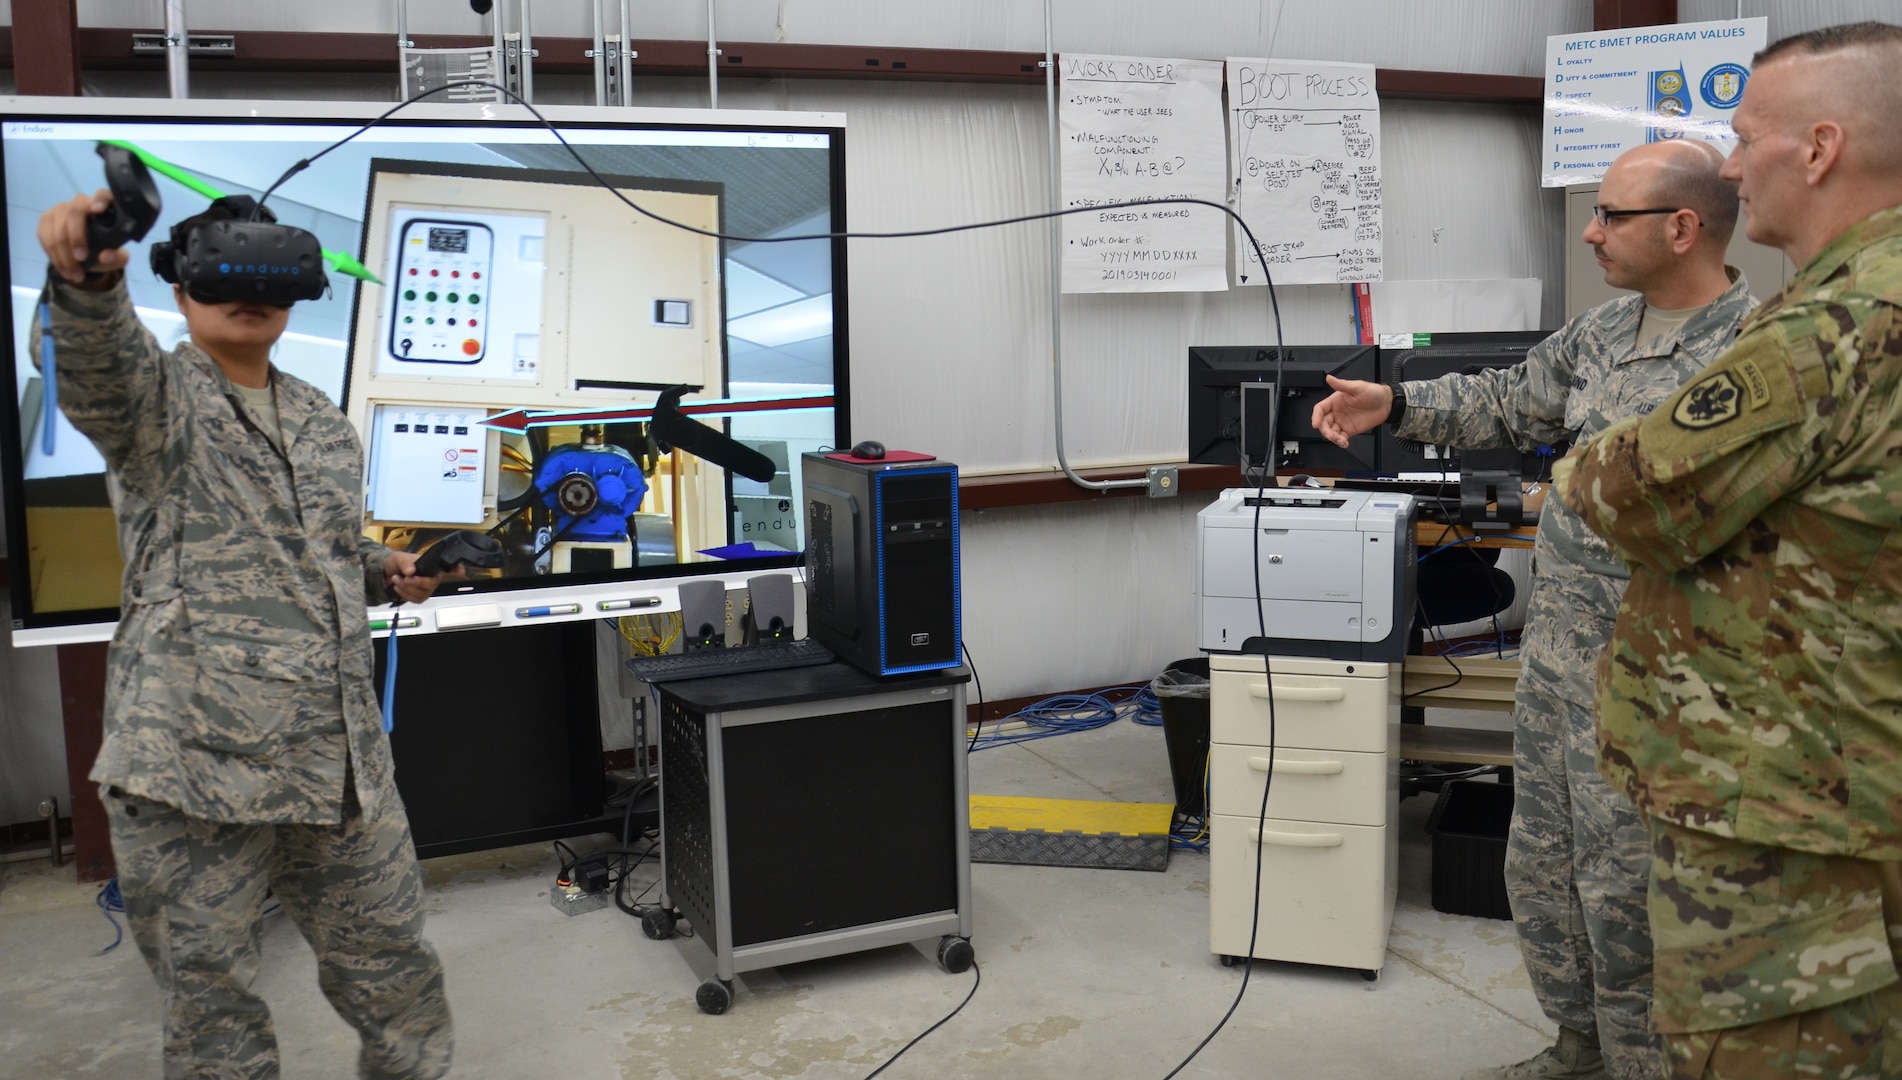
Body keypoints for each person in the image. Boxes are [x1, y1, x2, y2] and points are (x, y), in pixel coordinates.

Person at [1312, 139, 1754, 1080]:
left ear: (1683, 228)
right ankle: (1579, 1048)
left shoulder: (1752, 355)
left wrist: (1574, 495)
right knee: (1545, 872)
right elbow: (1511, 402)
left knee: (1631, 893)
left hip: (1662, 687)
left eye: (1610, 215)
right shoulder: (1602, 333)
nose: (1590, 231)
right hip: (1559, 668)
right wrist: (1394, 405)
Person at [34, 190, 456, 1078]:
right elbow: (101, 371)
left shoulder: (322, 422)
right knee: (214, 1015)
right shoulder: (160, 399)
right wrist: (85, 280)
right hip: (195, 770)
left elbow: (326, 549)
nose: (246, 287)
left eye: (267, 264)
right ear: (181, 290)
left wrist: (389, 569)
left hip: (338, 765)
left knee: (399, 978)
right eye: (219, 266)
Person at [1554, 21, 1902, 1079]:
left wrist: (1580, 461)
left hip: (1790, 823)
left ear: (1821, 147)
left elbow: (1632, 495)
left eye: (1749, 138)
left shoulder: (1837, 326)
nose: (1733, 164)